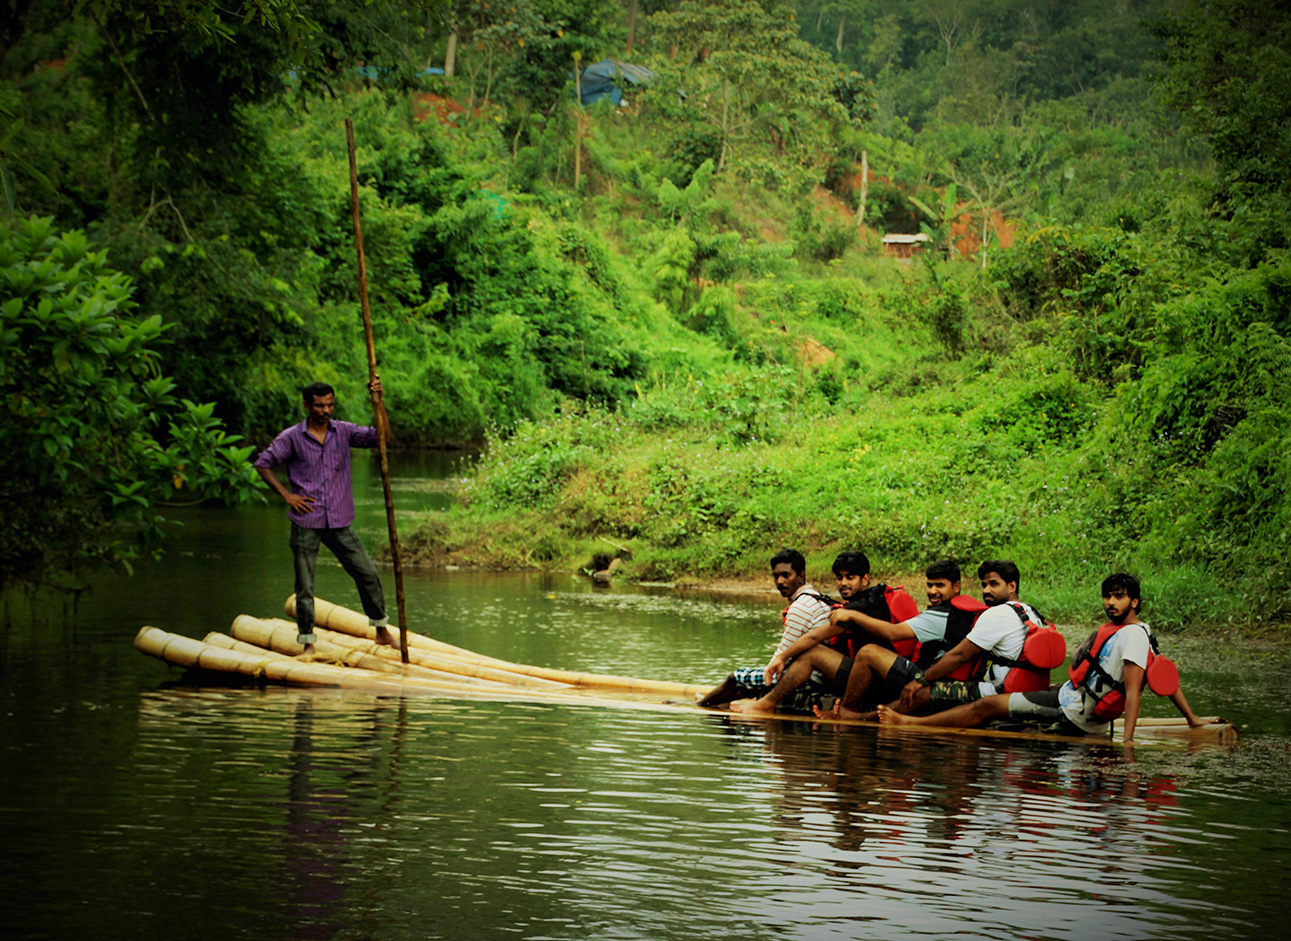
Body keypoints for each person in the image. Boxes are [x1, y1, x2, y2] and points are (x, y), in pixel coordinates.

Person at [879, 573, 1212, 742]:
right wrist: (1193, 721)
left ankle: (909, 724)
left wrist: (1126, 743)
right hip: (1070, 695)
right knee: (1007, 706)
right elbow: (1168, 681)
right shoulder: (1142, 632)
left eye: (1120, 598)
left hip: (1075, 712)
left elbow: (1137, 691)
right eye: (1108, 597)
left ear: (1135, 602)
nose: (1111, 603)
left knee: (990, 706)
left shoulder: (1133, 637)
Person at [254, 378, 396, 657]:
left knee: (367, 572)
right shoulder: (292, 437)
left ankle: (381, 630)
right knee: (305, 586)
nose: (326, 410)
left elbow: (382, 436)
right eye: (319, 405)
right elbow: (263, 464)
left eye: (330, 404)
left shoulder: (342, 431)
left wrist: (378, 402)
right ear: (307, 405)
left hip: (339, 520)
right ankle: (307, 641)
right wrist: (287, 495)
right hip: (306, 521)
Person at [727, 557, 960, 717]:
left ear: (865, 580)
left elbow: (814, 637)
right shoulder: (875, 599)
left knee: (814, 653)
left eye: (850, 578)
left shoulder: (860, 607)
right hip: (886, 675)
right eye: (840, 578)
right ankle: (766, 702)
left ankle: (767, 704)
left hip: (888, 681)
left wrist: (782, 657)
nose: (843, 584)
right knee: (818, 655)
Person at [886, 559, 1051, 717]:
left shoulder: (998, 614)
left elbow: (959, 656)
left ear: (1012, 586)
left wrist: (919, 680)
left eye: (994, 584)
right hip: (1026, 688)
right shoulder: (1031, 612)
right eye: (984, 585)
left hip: (995, 692)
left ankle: (872, 717)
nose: (986, 590)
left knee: (920, 694)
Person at [696, 549, 831, 709]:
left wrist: (762, 678)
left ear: (801, 576)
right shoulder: (816, 597)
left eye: (786, 575)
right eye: (776, 576)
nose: (780, 581)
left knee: (736, 678)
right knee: (749, 680)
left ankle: (701, 704)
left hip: (807, 678)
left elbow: (781, 655)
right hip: (817, 674)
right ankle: (718, 700)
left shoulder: (800, 607)